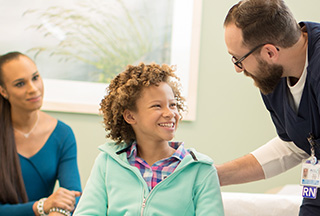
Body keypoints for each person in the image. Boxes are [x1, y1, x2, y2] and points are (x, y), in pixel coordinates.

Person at [217, 0, 320, 215]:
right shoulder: (274, 76)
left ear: (269, 52)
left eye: (238, 59)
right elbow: (293, 146)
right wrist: (212, 176)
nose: (239, 69)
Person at [73, 63, 224, 215]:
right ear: (130, 116)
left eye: (173, 105)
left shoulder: (201, 170)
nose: (170, 113)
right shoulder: (107, 162)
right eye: (157, 106)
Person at [0, 51, 82, 216]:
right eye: (20, 84)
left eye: (35, 78)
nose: (33, 89)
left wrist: (56, 211)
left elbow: (74, 197)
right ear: (3, 91)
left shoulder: (62, 134)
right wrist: (41, 206)